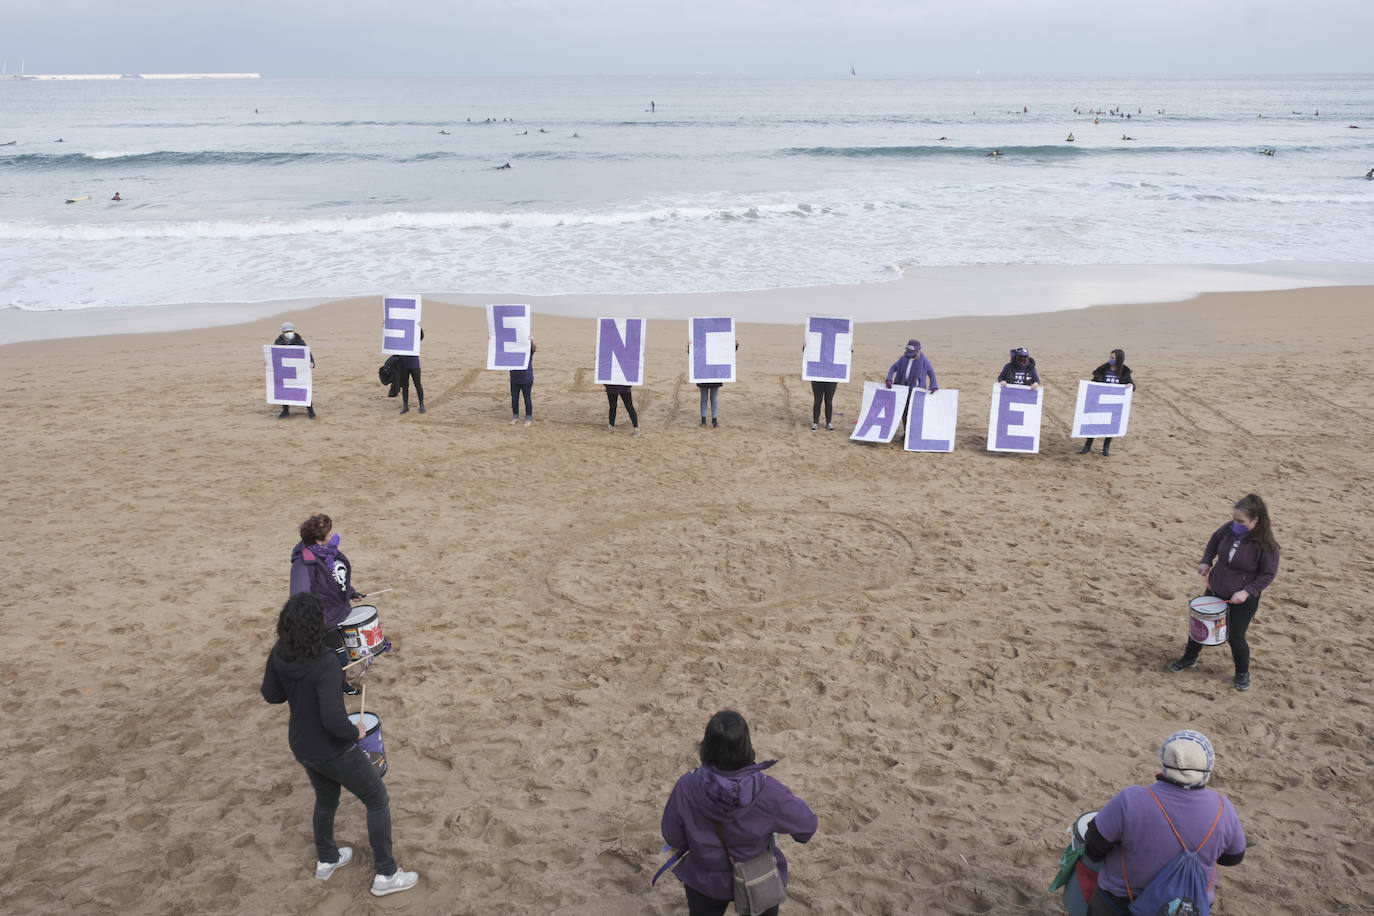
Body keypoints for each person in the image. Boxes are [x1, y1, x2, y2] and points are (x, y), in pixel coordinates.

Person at [261, 593, 419, 897]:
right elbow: (334, 721)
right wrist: (354, 733)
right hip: (332, 749)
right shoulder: (325, 662)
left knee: (326, 798)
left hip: (302, 746)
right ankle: (386, 874)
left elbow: (272, 694)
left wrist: (343, 675)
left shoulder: (279, 653)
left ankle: (327, 859)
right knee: (377, 799)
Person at [660, 711, 818, 916]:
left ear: (706, 746)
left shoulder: (686, 787)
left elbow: (673, 837)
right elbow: (807, 827)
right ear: (746, 746)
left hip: (705, 879)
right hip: (757, 874)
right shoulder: (768, 791)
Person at [1082, 730, 1245, 915]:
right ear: (1208, 766)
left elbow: (1093, 848)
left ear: (1165, 761)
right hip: (1187, 906)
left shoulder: (1130, 799)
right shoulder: (1223, 808)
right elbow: (1233, 857)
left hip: (1122, 903)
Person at [1168, 494, 1280, 691]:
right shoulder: (1229, 528)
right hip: (1216, 587)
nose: (1235, 523)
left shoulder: (1267, 546)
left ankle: (1242, 673)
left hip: (1242, 599)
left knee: (1235, 636)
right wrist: (1206, 560)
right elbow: (1214, 540)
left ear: (1255, 520)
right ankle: (1189, 658)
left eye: (1240, 521)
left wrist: (1247, 591)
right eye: (1234, 518)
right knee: (1200, 624)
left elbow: (1267, 574)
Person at [290, 514, 367, 695]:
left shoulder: (327, 552)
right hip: (323, 619)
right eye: (328, 534)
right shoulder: (304, 564)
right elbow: (299, 597)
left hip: (336, 612)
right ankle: (339, 687)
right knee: (337, 655)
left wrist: (350, 592)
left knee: (340, 652)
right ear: (317, 540)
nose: (332, 536)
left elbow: (335, 580)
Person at [1078, 348, 1134, 457]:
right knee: (1093, 423)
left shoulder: (1124, 371)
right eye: (1110, 357)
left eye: (1113, 358)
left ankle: (1106, 448)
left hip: (1114, 403)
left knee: (1111, 426)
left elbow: (1131, 385)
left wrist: (1130, 386)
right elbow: (1094, 383)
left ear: (1118, 359)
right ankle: (1087, 446)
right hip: (1100, 401)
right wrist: (1082, 383)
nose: (1110, 359)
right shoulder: (1103, 369)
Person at [885, 339, 938, 436]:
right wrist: (889, 379)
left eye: (912, 352)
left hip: (915, 390)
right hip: (903, 389)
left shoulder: (923, 360)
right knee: (904, 411)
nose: (909, 354)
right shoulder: (903, 359)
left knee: (914, 412)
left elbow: (931, 372)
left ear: (917, 351)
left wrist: (933, 385)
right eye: (908, 351)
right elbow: (893, 368)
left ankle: (913, 433)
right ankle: (906, 432)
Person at [273, 322, 316, 419]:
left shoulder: (300, 341)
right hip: (285, 371)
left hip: (298, 370)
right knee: (284, 390)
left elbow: (307, 353)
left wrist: (312, 362)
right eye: (286, 331)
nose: (289, 332)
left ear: (294, 330)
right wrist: (269, 363)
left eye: (290, 330)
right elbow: (274, 355)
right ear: (282, 332)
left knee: (304, 388)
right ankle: (285, 411)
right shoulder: (278, 342)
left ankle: (310, 410)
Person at [691, 340, 738, 428]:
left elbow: (727, 353)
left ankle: (714, 420)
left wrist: (735, 345)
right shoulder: (701, 345)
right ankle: (703, 420)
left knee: (714, 398)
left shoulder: (717, 345)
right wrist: (689, 346)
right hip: (703, 375)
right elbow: (693, 355)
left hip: (714, 374)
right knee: (704, 398)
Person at [397, 328, 424, 415]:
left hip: (414, 364)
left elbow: (421, 335)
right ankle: (405, 405)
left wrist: (416, 324)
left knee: (418, 385)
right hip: (404, 364)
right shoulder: (401, 337)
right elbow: (392, 335)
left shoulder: (415, 338)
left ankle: (421, 404)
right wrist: (387, 324)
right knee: (405, 386)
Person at [510, 340, 535, 426]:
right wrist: (493, 339)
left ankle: (528, 418)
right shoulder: (511, 352)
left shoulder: (527, 351)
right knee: (514, 399)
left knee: (527, 399)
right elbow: (500, 350)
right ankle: (515, 417)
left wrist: (531, 341)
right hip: (514, 379)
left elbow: (534, 348)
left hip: (526, 379)